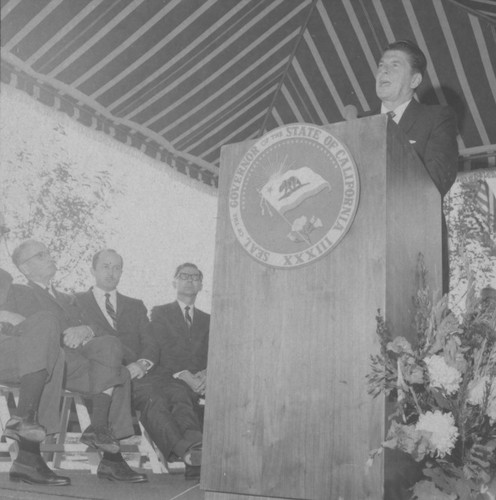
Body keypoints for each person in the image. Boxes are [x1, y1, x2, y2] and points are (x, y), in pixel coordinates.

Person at [3, 240, 147, 483]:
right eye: (40, 255)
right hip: (42, 359)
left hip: (77, 363)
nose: (49, 257)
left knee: (113, 353)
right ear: (25, 269)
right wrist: (51, 333)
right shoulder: (16, 290)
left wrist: (87, 329)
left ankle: (102, 437)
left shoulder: (68, 297)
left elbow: (98, 329)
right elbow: (6, 320)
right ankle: (28, 458)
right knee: (109, 371)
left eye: (48, 252)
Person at [368, 39, 459, 294]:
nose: (383, 71)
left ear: (415, 81)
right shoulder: (359, 124)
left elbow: (439, 176)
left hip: (414, 241)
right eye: (381, 65)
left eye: (394, 66)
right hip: (364, 245)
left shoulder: (436, 118)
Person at [1, 268, 69, 486]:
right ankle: (29, 455)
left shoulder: (6, 279)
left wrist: (15, 320)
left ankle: (25, 430)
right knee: (48, 352)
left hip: (10, 350)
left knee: (49, 335)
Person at [143, 262, 210, 481]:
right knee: (180, 395)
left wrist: (207, 373)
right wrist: (185, 375)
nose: (190, 280)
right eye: (184, 276)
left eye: (195, 276)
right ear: (174, 282)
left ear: (201, 284)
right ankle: (195, 452)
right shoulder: (160, 313)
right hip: (171, 376)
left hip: (202, 380)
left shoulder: (209, 320)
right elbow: (163, 349)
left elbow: (215, 351)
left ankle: (200, 456)